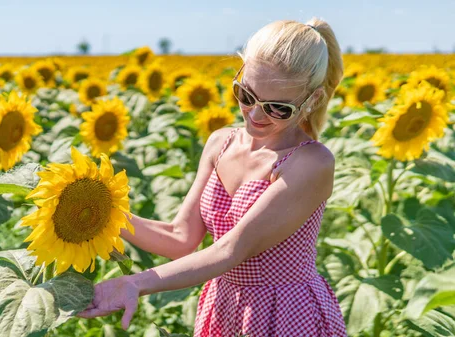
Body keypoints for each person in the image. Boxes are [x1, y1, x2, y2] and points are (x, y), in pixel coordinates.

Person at [78, 17, 348, 337]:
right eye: (246, 95)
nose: (255, 114)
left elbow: (231, 250)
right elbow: (180, 238)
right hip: (222, 305)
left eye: (277, 108)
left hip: (285, 312)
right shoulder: (221, 143)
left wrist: (135, 283)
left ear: (312, 100)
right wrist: (102, 216)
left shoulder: (310, 163)